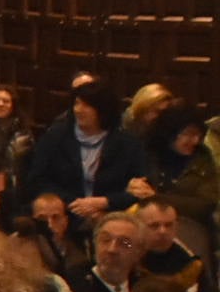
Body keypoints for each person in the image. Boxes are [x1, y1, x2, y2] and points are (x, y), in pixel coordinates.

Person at [24, 82, 145, 216]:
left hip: (111, 214)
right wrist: (76, 204)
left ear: (103, 109)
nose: (79, 109)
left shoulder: (127, 143)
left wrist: (104, 202)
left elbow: (140, 188)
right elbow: (37, 180)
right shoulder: (55, 137)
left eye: (87, 105)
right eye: (76, 103)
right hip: (64, 212)